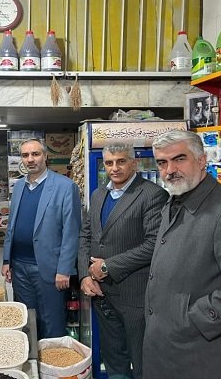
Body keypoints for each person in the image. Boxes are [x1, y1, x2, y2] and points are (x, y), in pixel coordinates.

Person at [143, 130, 221, 379]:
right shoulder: (175, 201)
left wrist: (193, 318)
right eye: (162, 162)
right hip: (168, 350)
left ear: (202, 160)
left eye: (179, 159)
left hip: (203, 355)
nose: (170, 170)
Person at [79, 143, 168, 379]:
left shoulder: (152, 195)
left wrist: (108, 266)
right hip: (102, 294)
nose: (114, 168)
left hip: (135, 296)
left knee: (141, 361)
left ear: (134, 163)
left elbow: (154, 244)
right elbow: (86, 236)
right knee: (113, 358)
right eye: (109, 163)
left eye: (121, 161)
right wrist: (85, 275)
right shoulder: (99, 195)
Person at [2, 138, 82, 339]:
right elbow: (11, 225)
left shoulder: (65, 187)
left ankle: (52, 359)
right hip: (19, 267)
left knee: (52, 322)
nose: (30, 159)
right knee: (27, 321)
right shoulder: (19, 187)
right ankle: (31, 356)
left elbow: (71, 232)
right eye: (25, 155)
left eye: (35, 154)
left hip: (49, 268)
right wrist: (6, 259)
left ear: (46, 156)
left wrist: (64, 269)